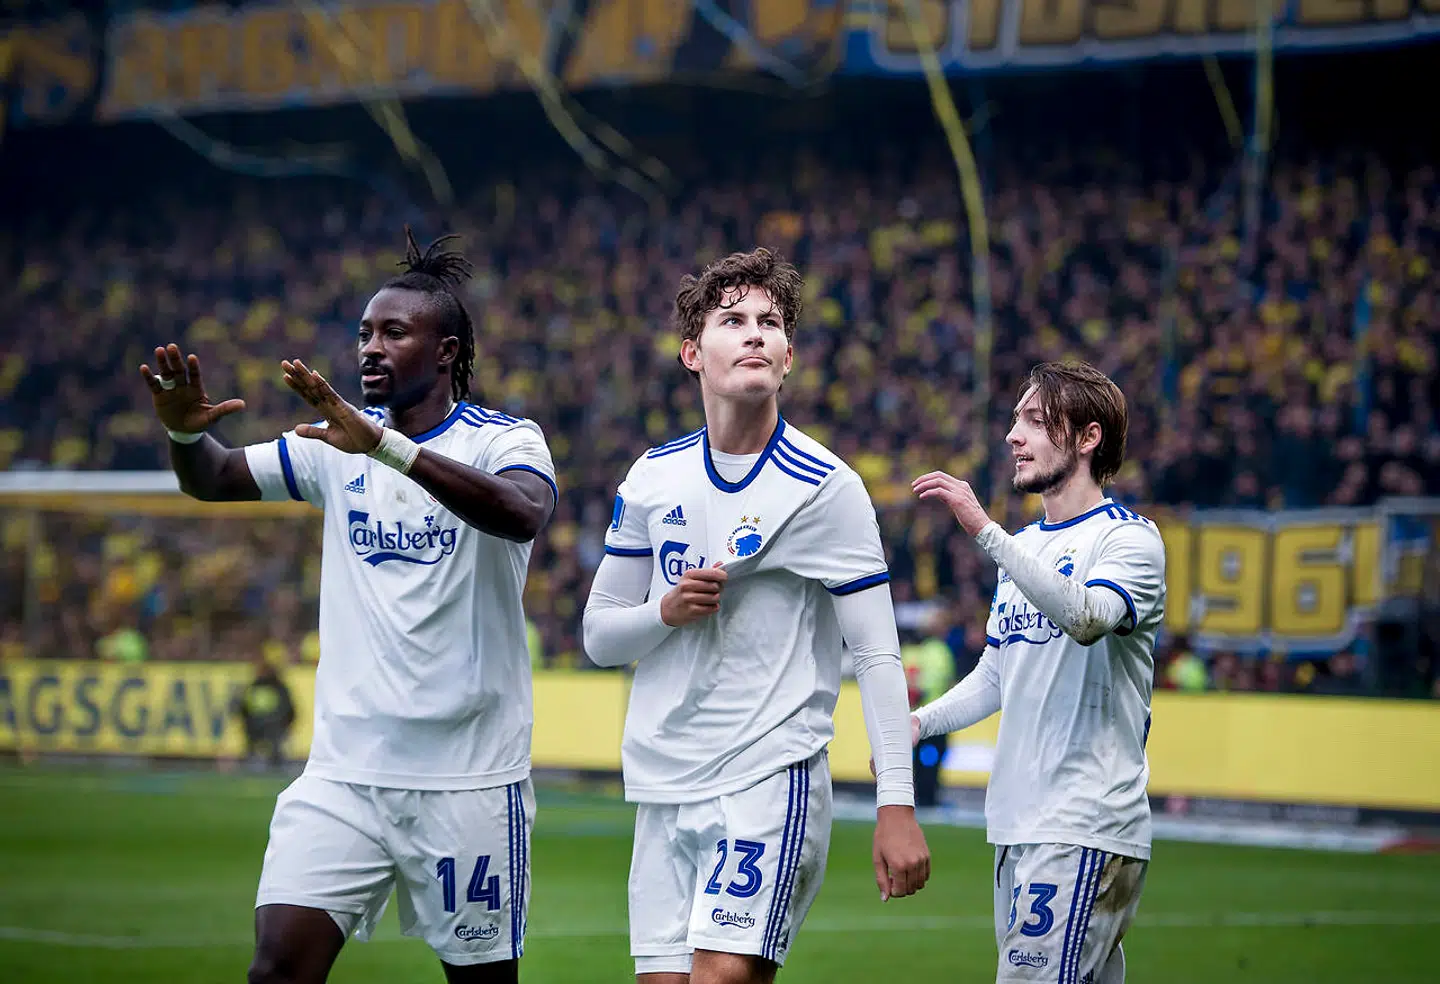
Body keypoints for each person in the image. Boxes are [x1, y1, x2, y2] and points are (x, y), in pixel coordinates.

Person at [138, 230, 557, 984]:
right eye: (364, 332)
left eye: (394, 332)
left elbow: (522, 513)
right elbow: (215, 476)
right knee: (277, 971)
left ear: (447, 352)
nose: (369, 347)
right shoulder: (333, 445)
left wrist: (384, 449)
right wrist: (179, 430)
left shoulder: (505, 441)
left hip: (469, 780)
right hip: (344, 773)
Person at [583, 248, 929, 984]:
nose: (753, 334)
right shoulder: (653, 477)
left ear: (789, 355)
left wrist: (895, 803)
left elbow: (876, 654)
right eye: (732, 320)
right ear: (691, 354)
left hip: (769, 773)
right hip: (663, 781)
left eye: (769, 323)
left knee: (723, 978)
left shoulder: (826, 487)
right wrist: (666, 613)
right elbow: (600, 635)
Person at [910, 361, 1165, 984]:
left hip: (1084, 818)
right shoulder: (1024, 549)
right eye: (1015, 420)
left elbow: (1085, 617)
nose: (1012, 436)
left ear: (1087, 438)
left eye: (1034, 420)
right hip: (1020, 820)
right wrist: (918, 723)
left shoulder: (1130, 541)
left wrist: (985, 532)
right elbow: (998, 674)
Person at [235, 654, 297, 769]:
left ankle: (273, 764)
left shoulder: (276, 688)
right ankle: (264, 764)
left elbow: (288, 710)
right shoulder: (256, 687)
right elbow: (244, 708)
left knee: (274, 742)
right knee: (255, 740)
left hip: (273, 727)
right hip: (259, 726)